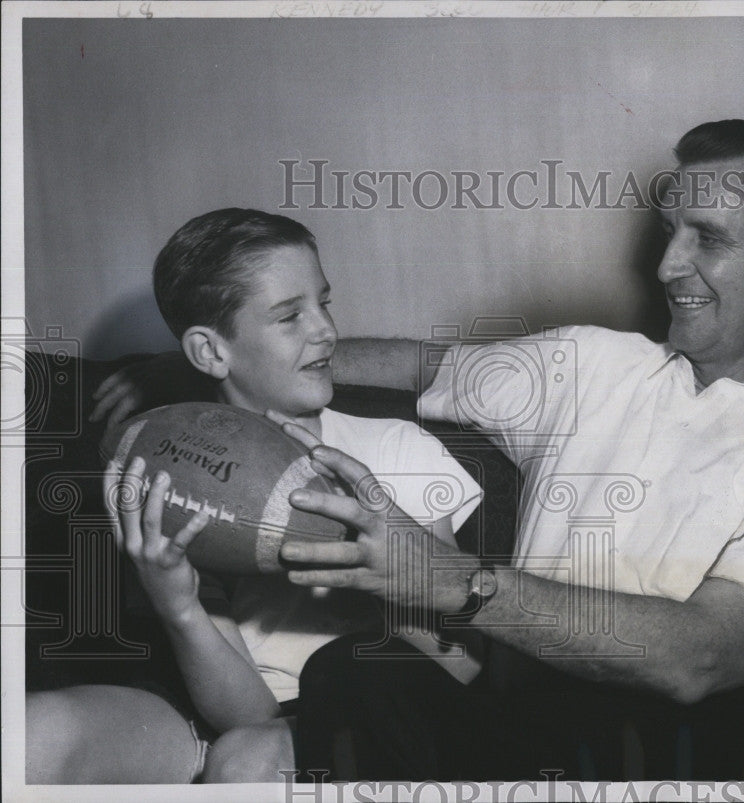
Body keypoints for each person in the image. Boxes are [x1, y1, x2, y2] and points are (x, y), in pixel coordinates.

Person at [91, 120, 744, 781]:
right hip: (525, 721)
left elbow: (701, 655)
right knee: (353, 674)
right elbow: (428, 366)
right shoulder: (593, 364)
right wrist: (215, 358)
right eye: (671, 233)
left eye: (709, 237)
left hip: (701, 745)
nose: (668, 265)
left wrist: (450, 580)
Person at [26, 209, 482, 784]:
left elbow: (458, 658)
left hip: (366, 710)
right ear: (211, 353)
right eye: (290, 315)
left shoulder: (396, 448)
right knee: (33, 733)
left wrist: (384, 565)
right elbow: (247, 713)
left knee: (246, 763)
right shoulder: (175, 475)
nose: (325, 330)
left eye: (325, 302)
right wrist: (179, 606)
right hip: (237, 712)